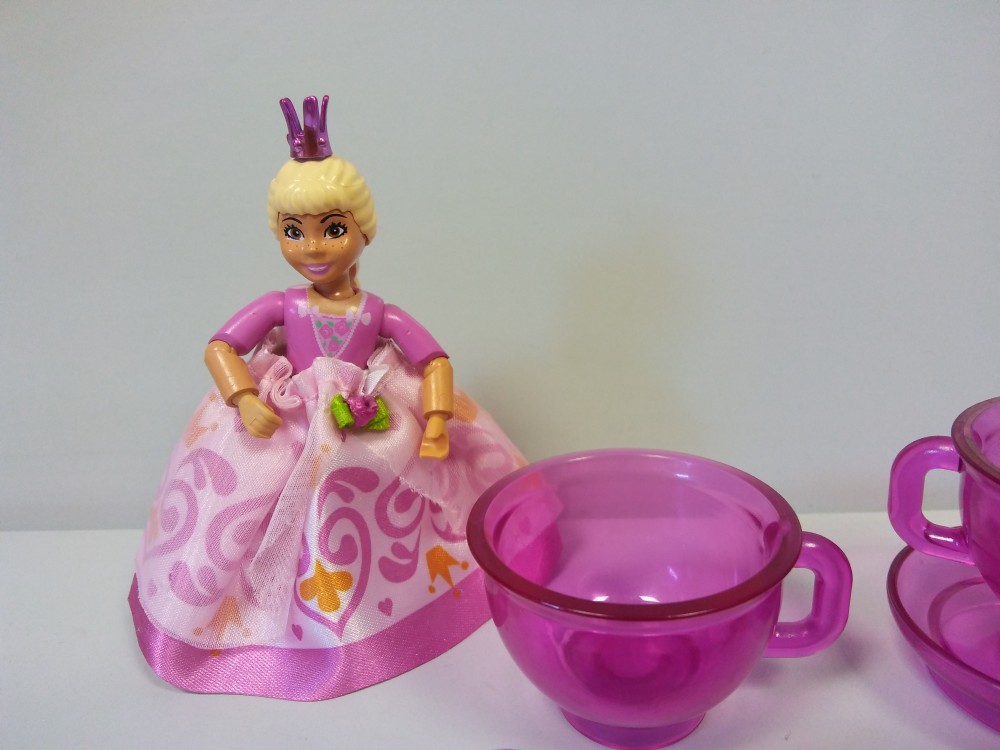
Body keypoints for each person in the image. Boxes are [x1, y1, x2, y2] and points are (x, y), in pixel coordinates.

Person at [129, 95, 523, 701]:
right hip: (287, 422)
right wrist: (244, 396)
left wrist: (436, 420)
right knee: (251, 505)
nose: (313, 247)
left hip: (364, 426)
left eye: (332, 229)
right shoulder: (281, 305)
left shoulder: (379, 312)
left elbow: (434, 360)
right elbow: (221, 346)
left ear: (363, 231)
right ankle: (250, 621)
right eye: (294, 232)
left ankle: (376, 616)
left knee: (370, 510)